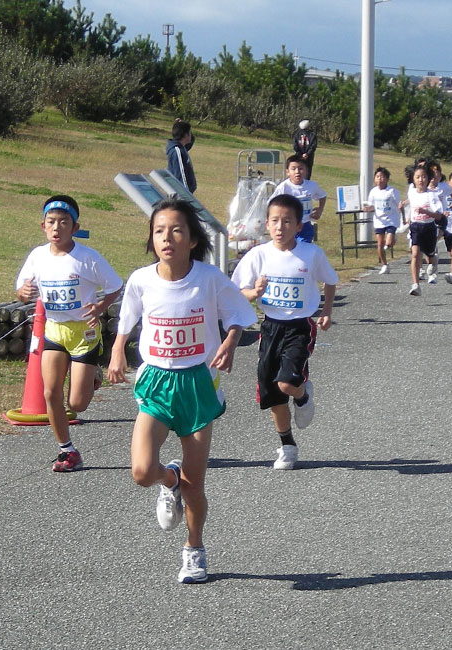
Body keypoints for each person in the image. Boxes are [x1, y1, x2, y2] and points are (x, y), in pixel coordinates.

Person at [108, 199, 256, 584]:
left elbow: (240, 312)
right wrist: (116, 350)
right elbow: (128, 317)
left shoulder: (209, 278)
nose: (167, 237)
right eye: (159, 231)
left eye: (176, 230)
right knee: (141, 472)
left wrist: (229, 340)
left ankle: (194, 550)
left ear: (192, 240)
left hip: (197, 384)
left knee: (196, 486)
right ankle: (167, 480)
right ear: (151, 238)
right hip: (156, 380)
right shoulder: (142, 279)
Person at [15, 195, 123, 472]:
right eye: (51, 222)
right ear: (43, 226)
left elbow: (115, 286)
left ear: (75, 228)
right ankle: (67, 451)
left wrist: (99, 306)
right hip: (54, 329)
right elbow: (21, 289)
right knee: (50, 393)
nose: (57, 228)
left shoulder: (87, 258)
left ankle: (91, 378)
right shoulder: (37, 257)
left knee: (77, 404)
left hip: (83, 332)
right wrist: (23, 293)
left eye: (64, 222)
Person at [231, 194, 338, 469]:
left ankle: (302, 396)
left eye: (287, 221)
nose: (281, 227)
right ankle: (287, 446)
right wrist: (254, 292)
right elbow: (237, 292)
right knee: (272, 392)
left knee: (287, 383)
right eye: (275, 221)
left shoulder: (310, 254)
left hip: (300, 327)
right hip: (270, 327)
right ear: (266, 224)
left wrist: (326, 311)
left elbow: (330, 281)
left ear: (299, 225)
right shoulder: (258, 255)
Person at [400, 166, 445, 294]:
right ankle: (415, 285)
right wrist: (403, 207)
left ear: (429, 178)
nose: (421, 180)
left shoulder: (432, 195)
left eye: (424, 177)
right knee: (415, 253)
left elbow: (439, 216)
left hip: (429, 228)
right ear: (413, 180)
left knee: (430, 256)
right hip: (415, 227)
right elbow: (412, 202)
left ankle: (434, 261)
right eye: (417, 177)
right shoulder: (411, 192)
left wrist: (425, 211)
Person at [270, 155, 327, 244]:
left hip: (305, 225)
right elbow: (272, 203)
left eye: (301, 168)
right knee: (288, 249)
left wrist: (320, 209)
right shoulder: (284, 187)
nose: (297, 172)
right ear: (287, 172)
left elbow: (322, 196)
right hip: (288, 226)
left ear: (306, 171)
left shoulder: (311, 185)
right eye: (293, 169)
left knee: (303, 249)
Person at [363, 167, 402, 275]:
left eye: (382, 177)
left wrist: (402, 212)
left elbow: (399, 204)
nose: (380, 179)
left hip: (391, 220)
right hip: (379, 220)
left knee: (388, 243)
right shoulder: (373, 192)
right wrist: (367, 209)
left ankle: (392, 239)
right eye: (377, 177)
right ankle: (385, 265)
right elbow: (372, 206)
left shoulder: (392, 191)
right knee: (380, 244)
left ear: (387, 179)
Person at [166, 119, 197, 193]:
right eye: (189, 132)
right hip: (181, 195)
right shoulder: (177, 151)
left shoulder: (182, 148)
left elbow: (190, 142)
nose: (191, 134)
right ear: (185, 135)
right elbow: (181, 175)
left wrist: (181, 125)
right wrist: (186, 195)